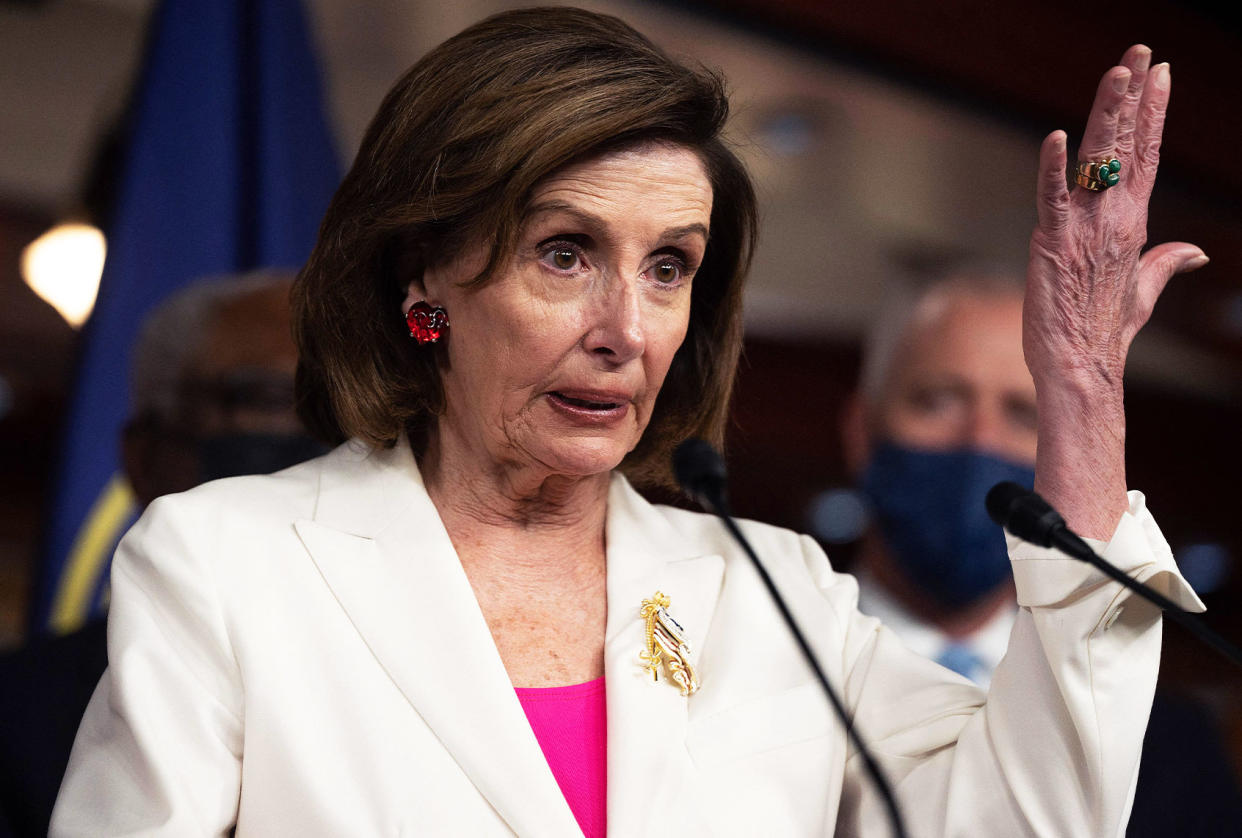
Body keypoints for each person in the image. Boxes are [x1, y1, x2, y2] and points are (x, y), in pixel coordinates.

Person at [51, 7, 1207, 836]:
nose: (628, 327)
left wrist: (1083, 394)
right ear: (424, 279)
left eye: (669, 268)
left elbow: (1036, 822)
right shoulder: (228, 566)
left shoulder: (774, 591)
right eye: (566, 253)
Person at [841, 272, 1242, 835]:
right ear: (862, 432)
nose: (979, 439)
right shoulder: (758, 665)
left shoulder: (1170, 744)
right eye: (938, 400)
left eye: (1023, 413)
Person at [0, 271, 322, 838]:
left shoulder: (441, 662)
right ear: (144, 456)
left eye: (343, 405)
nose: (326, 441)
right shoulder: (18, 718)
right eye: (269, 400)